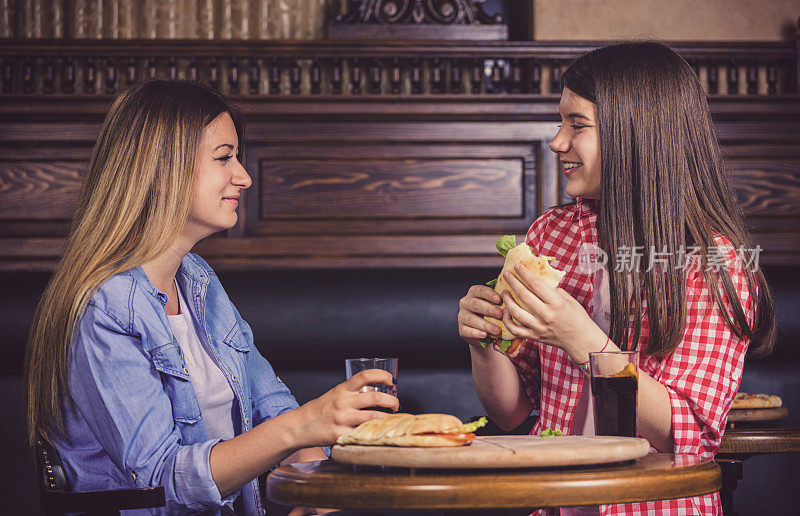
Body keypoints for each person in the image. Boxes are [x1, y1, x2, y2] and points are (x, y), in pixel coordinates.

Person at [24, 79, 399, 516]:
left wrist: (318, 493)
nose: (244, 176)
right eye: (224, 158)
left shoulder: (197, 280)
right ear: (161, 172)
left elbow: (269, 407)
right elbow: (162, 477)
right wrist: (302, 426)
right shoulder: (103, 306)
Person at [457, 42, 775, 515]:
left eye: (577, 125)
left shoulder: (716, 260)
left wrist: (579, 336)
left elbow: (683, 432)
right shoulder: (551, 234)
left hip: (655, 505)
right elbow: (511, 411)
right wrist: (483, 338)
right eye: (560, 122)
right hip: (556, 499)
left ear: (637, 136)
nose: (557, 141)